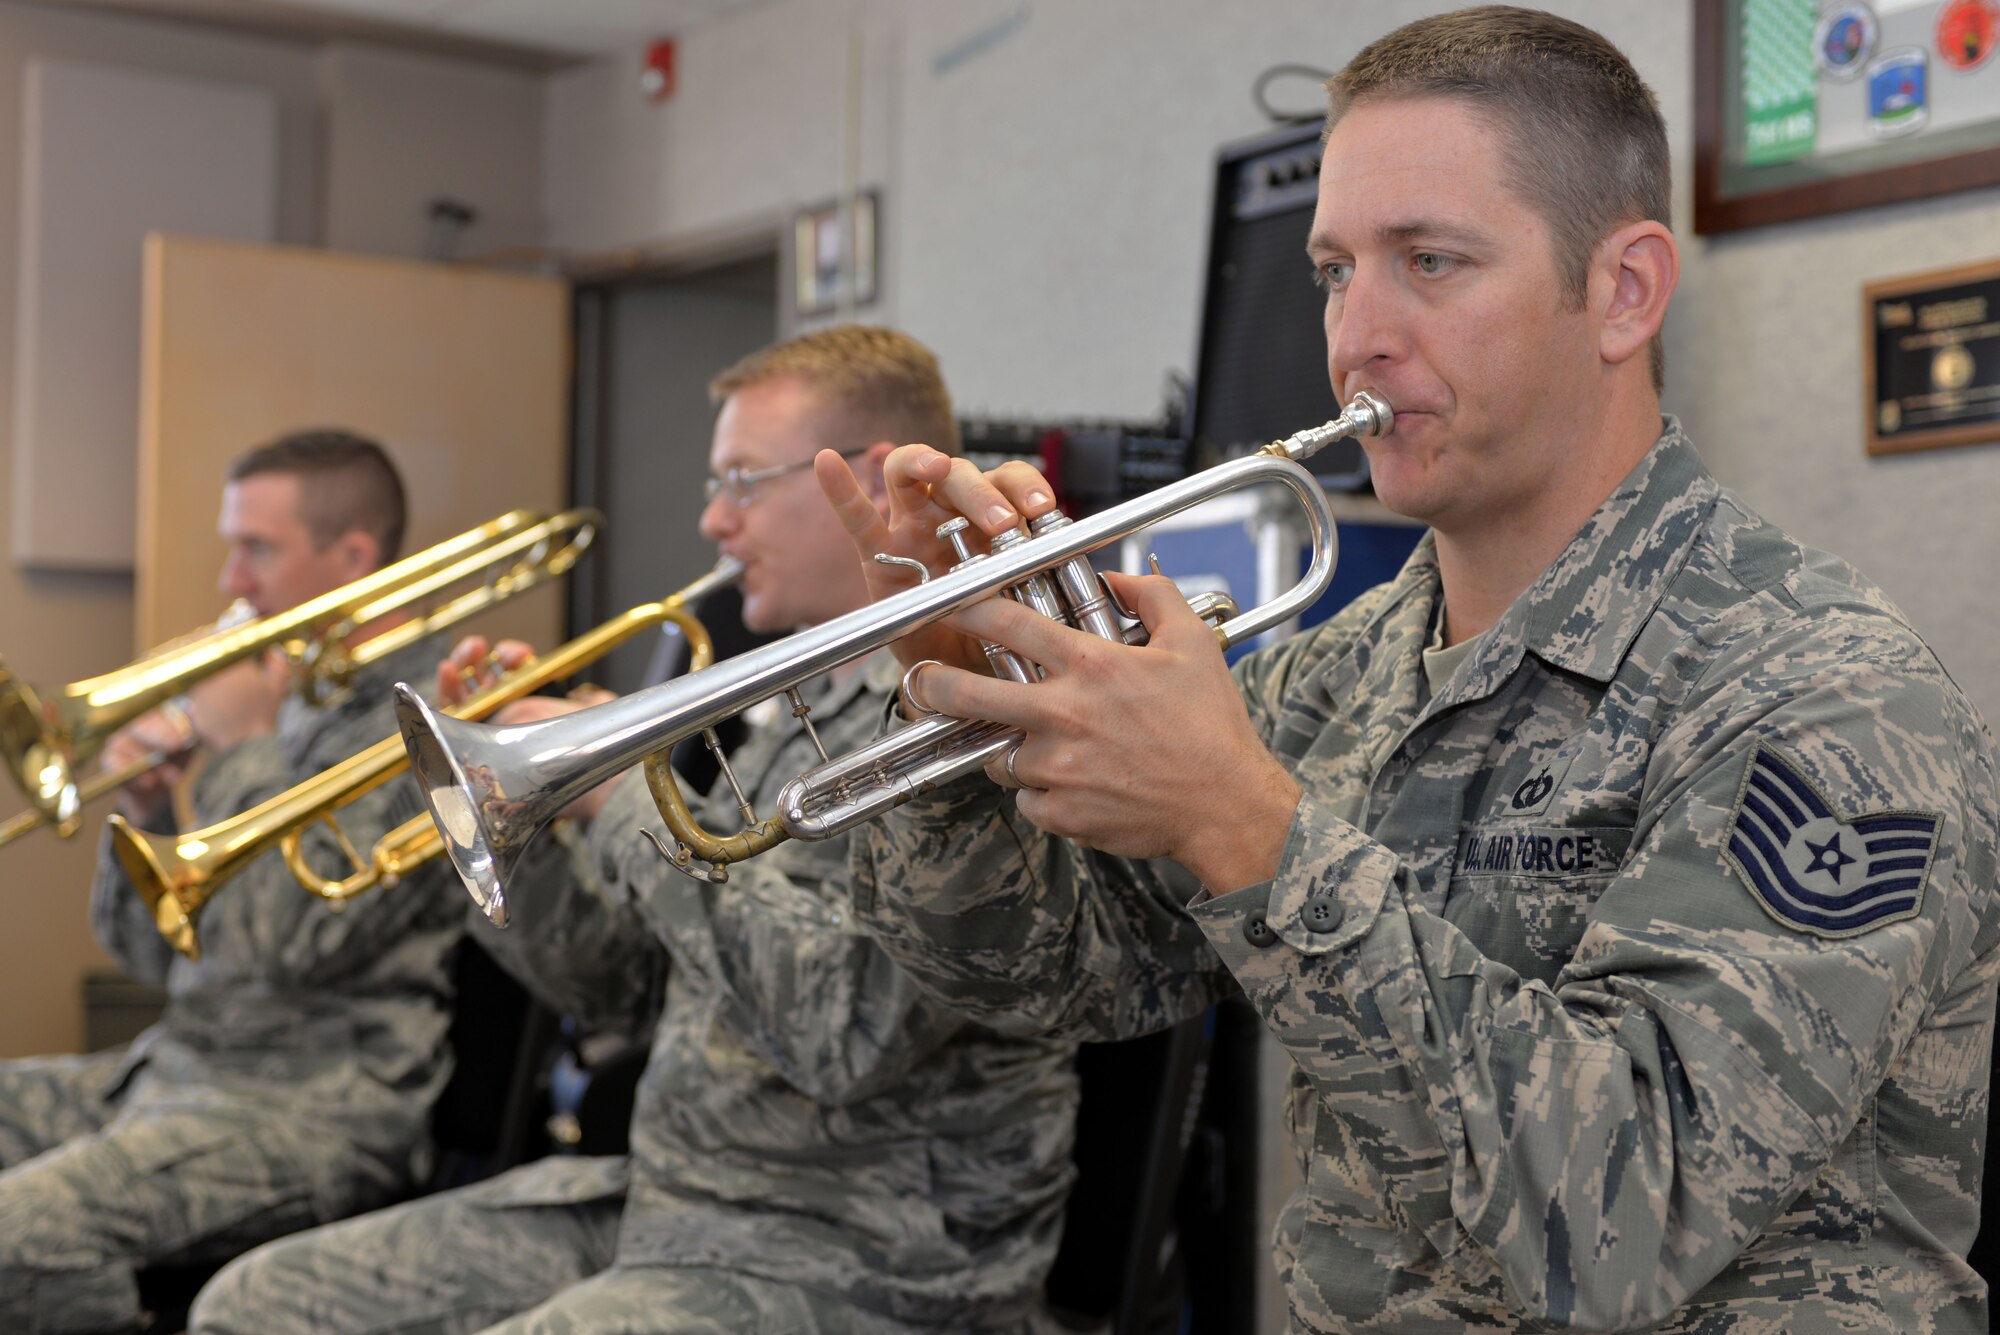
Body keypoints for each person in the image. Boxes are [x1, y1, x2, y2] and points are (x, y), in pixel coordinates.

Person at [820, 10, 1999, 1333]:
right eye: (1335, 270)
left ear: (1624, 291)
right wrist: (945, 699)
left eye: (1428, 261)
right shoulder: (1347, 669)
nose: (1355, 333)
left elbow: (1625, 1222)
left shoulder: (1829, 693)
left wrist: (1246, 825)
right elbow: (1039, 972)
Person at [191, 326, 1078, 1335]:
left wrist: (621, 799)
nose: (712, 519)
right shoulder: (781, 703)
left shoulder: (970, 708)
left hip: (860, 1252)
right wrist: (506, 818)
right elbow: (617, 986)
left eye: (742, 480)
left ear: (870, 478)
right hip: (677, 1203)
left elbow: (844, 1035)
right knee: (255, 1307)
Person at [0, 430, 465, 1333]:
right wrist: (160, 809)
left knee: (13, 1236)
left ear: (354, 556)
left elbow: (300, 942)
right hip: (174, 1075)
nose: (229, 580)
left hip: (319, 1106)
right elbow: (146, 953)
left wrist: (242, 754)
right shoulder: (287, 696)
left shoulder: (431, 720)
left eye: (256, 547)